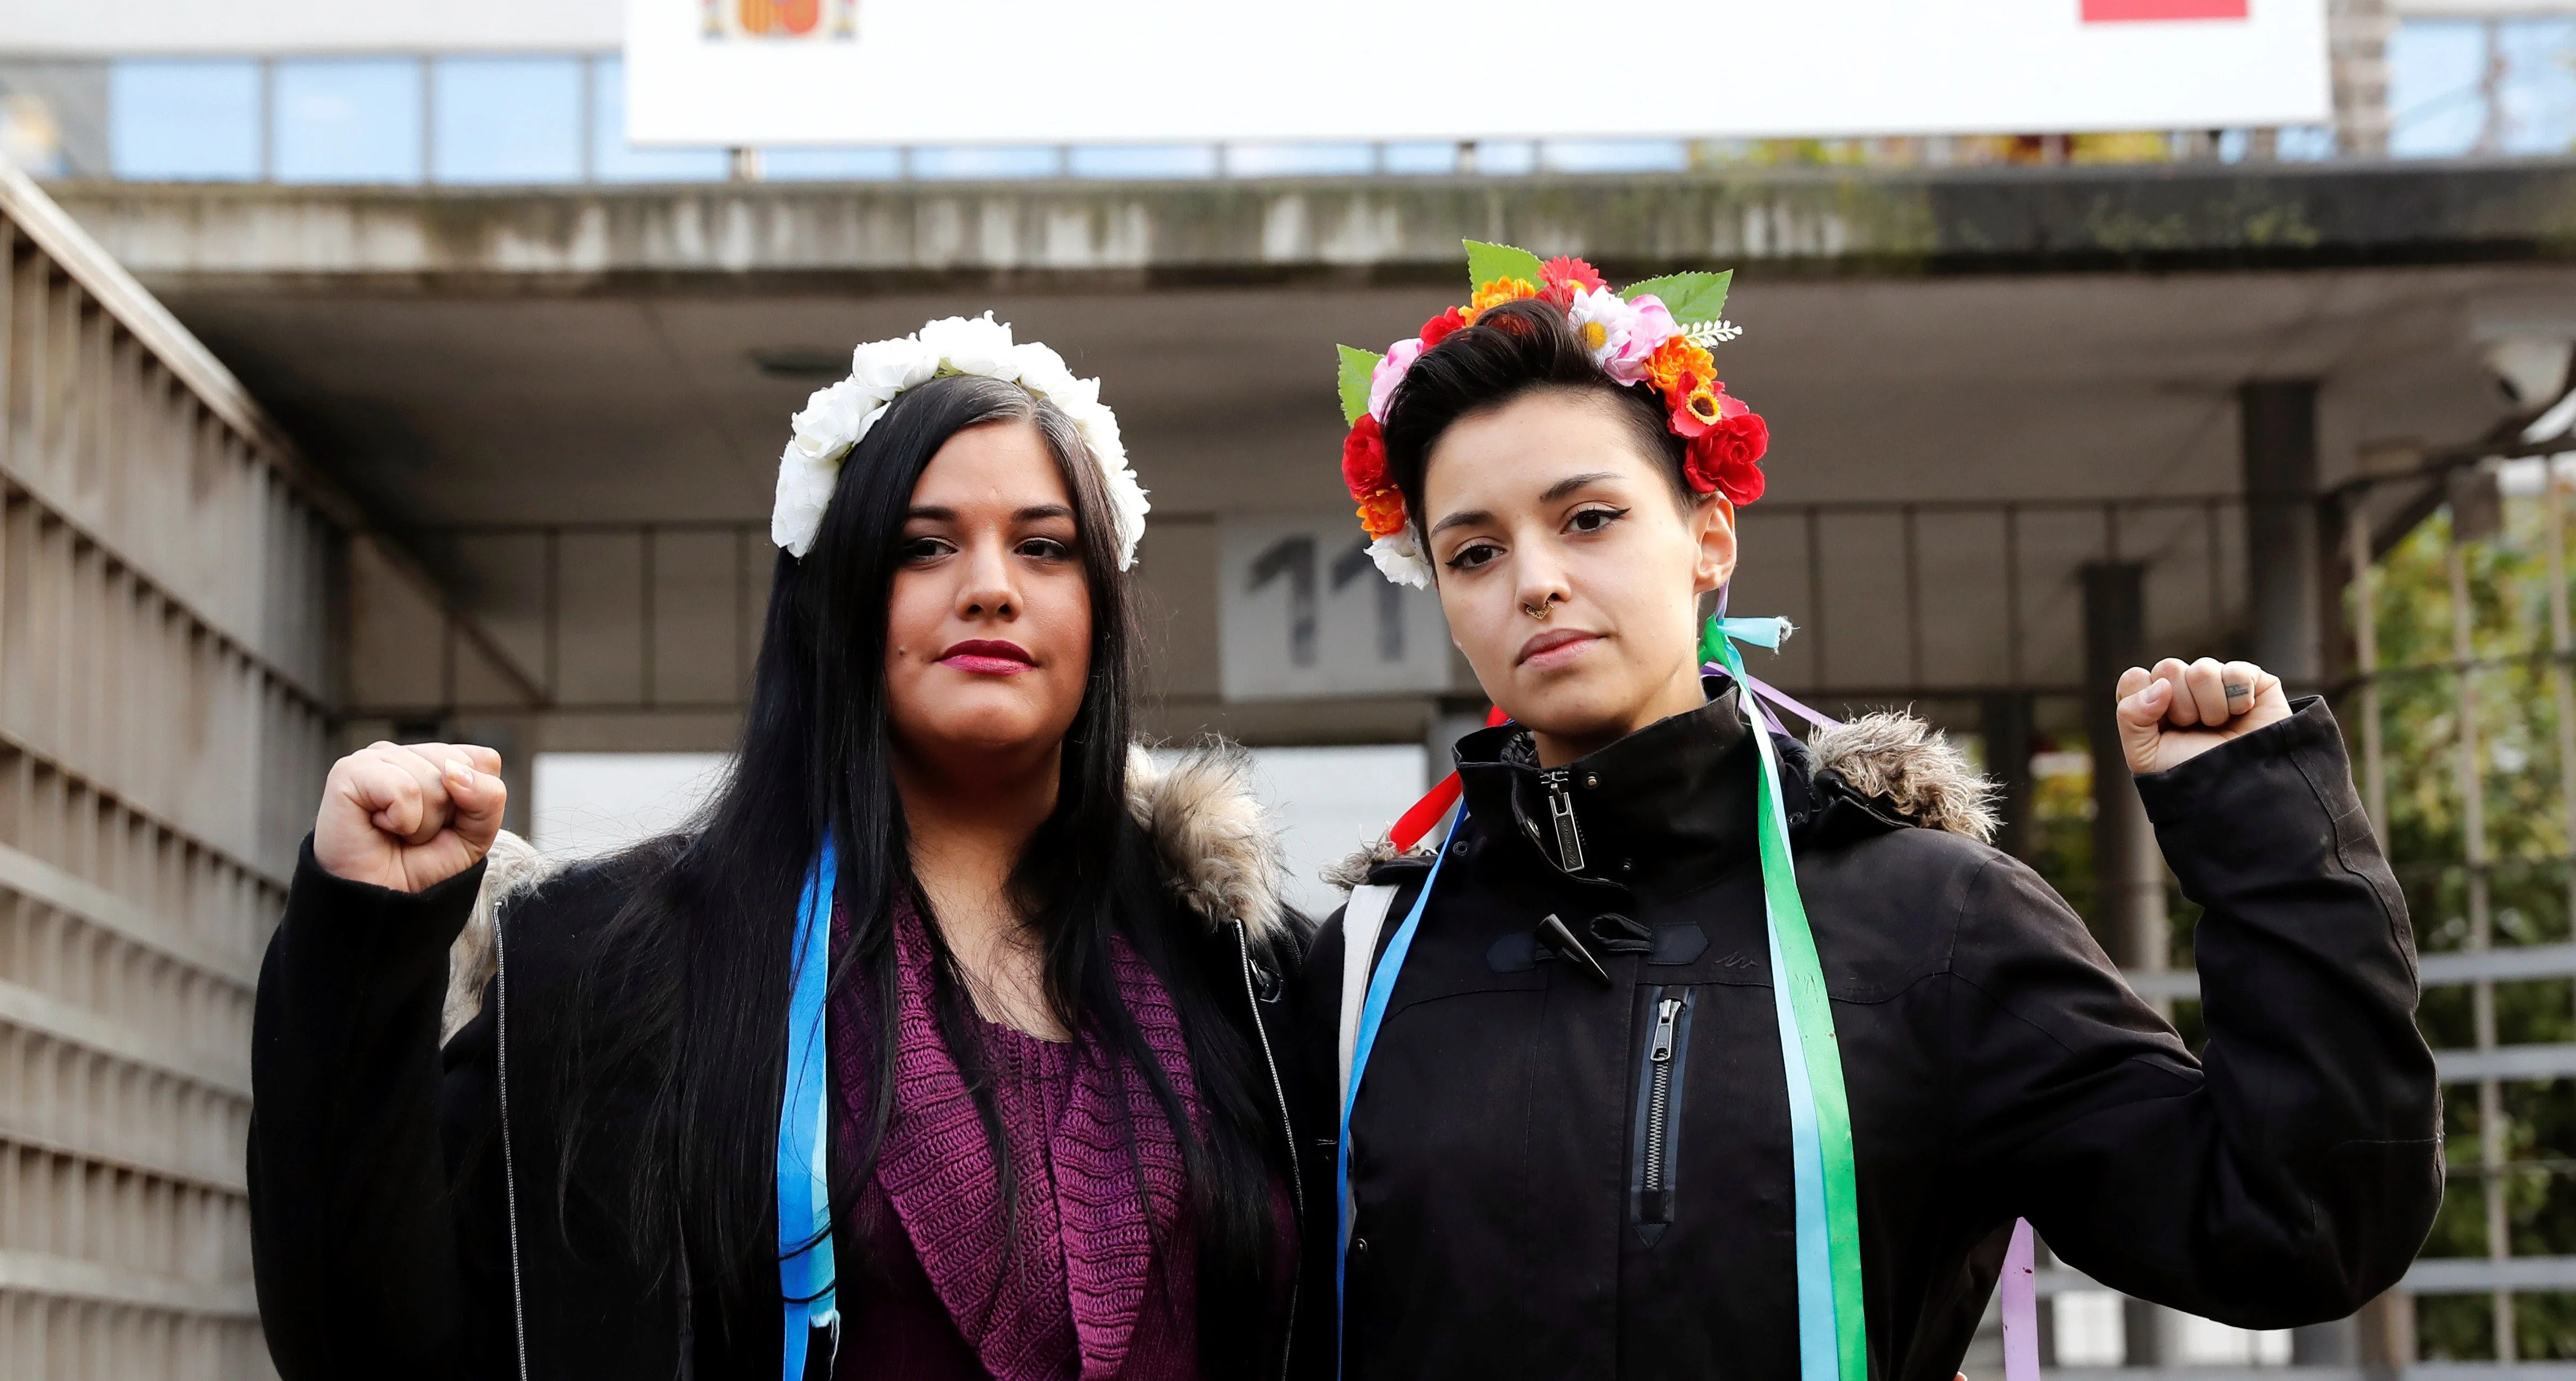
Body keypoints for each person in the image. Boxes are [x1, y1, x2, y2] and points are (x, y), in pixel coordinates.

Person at [1291, 247, 2441, 1381]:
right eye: (1474, 551)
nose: (1532, 580)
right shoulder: (1359, 968)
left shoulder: (1928, 922)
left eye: (1587, 518)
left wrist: (2260, 832)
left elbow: (2294, 1223)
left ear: (1708, 536)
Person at [249, 316, 1314, 1381]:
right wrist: (363, 937)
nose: (991, 584)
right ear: (836, 601)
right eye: (924, 544)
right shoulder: (621, 970)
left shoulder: (1253, 981)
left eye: (1042, 546)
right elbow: (375, 1340)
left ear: (1101, 610)